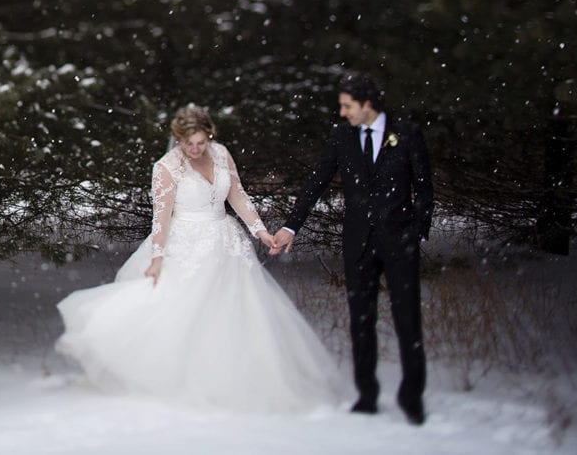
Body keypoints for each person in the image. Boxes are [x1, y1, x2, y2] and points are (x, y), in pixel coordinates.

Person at [56, 105, 342, 413]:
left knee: (235, 311)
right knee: (183, 311)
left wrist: (261, 232)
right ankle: (180, 379)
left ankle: (235, 379)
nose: (194, 149)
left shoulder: (221, 153)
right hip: (186, 243)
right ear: (178, 139)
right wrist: (157, 257)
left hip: (226, 244)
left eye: (200, 142)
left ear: (210, 135)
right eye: (187, 143)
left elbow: (237, 195)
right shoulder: (166, 166)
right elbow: (161, 218)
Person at [270, 73, 434, 425]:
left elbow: (424, 185)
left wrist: (416, 231)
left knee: (408, 320)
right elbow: (318, 180)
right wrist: (290, 225)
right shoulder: (341, 135)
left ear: (367, 105)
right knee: (362, 320)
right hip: (358, 242)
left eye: (347, 106)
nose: (342, 113)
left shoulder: (405, 133)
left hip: (399, 241)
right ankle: (367, 394)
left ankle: (411, 398)